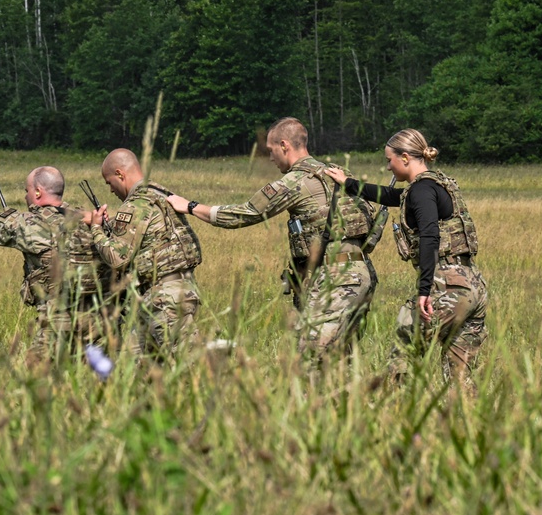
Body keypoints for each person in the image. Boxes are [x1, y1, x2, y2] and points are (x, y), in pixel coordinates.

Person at [166, 117, 380, 361]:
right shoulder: (339, 173)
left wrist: (190, 206)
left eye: (271, 150)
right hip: (361, 274)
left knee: (309, 360)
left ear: (285, 145)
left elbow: (245, 214)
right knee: (341, 359)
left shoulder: (294, 181)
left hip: (335, 281)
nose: (270, 158)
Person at [324, 129, 487, 395]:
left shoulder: (421, 191)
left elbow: (430, 236)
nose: (387, 166)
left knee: (404, 350)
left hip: (446, 286)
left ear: (405, 157)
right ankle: (468, 426)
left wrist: (424, 291)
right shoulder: (434, 185)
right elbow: (390, 196)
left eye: (390, 160)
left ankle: (399, 411)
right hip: (473, 285)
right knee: (461, 376)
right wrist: (348, 183)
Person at [0, 167, 108, 360]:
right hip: (98, 320)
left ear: (37, 192)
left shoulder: (33, 224)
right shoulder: (89, 220)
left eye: (26, 191)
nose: (26, 197)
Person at [88, 148, 203, 359]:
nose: (111, 190)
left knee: (189, 371)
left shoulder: (136, 203)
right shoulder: (160, 194)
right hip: (166, 296)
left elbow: (117, 258)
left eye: (109, 182)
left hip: (164, 301)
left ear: (120, 174)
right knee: (135, 373)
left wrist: (96, 229)